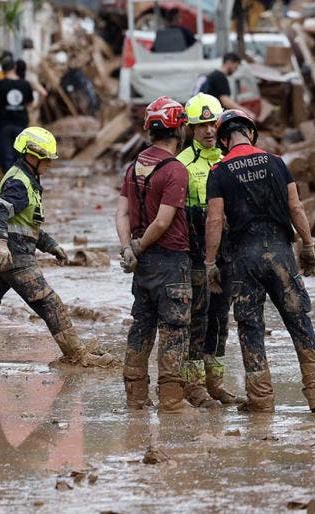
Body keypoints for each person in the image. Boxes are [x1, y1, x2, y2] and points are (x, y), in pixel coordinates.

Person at [0, 127, 114, 369]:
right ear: (33, 156)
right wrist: (0, 244)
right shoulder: (19, 183)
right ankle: (77, 355)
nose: (50, 164)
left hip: (3, 257)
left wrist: (52, 246)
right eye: (47, 159)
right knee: (50, 303)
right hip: (14, 257)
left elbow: (26, 226)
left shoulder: (28, 180)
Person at [205, 109, 315, 413]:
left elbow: (215, 219)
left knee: (250, 325)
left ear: (223, 139)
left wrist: (210, 262)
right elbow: (296, 207)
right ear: (250, 133)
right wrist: (309, 245)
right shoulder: (276, 162)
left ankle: (261, 401)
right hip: (280, 253)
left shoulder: (219, 171)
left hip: (244, 257)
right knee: (299, 318)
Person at [116, 96, 194, 413]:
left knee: (142, 327)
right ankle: (172, 402)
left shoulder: (135, 166)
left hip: (143, 264)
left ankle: (135, 400)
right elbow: (163, 221)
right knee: (174, 330)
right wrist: (141, 245)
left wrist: (128, 248)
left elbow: (120, 213)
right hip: (171, 260)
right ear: (179, 131)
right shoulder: (175, 170)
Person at [176, 93, 237, 408]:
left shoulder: (230, 160)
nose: (209, 131)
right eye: (201, 126)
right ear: (190, 128)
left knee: (220, 316)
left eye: (212, 123)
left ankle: (216, 383)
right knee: (196, 316)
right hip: (196, 251)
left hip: (228, 250)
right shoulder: (181, 164)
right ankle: (193, 384)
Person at [0, 56, 34, 172]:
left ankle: (9, 185)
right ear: (14, 67)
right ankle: (18, 185)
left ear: (2, 70)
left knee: (7, 159)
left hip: (3, 124)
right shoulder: (25, 84)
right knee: (20, 158)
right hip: (21, 124)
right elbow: (30, 103)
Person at [199, 53, 255, 119]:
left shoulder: (213, 75)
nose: (235, 70)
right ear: (229, 62)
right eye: (235, 67)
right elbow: (225, 101)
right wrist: (245, 112)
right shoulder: (219, 77)